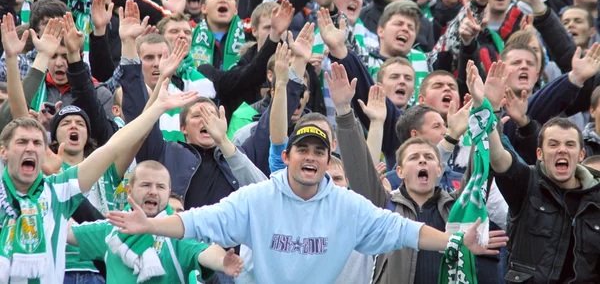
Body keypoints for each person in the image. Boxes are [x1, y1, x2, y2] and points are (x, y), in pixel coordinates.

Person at [107, 125, 508, 283]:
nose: (311, 157)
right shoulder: (257, 198)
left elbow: (406, 231)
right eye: (303, 149)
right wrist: (150, 225)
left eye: (320, 151)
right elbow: (197, 222)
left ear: (327, 159)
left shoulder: (348, 206)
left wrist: (456, 242)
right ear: (288, 156)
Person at [0, 67, 199, 283]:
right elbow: (18, 118)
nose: (30, 147)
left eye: (37, 143)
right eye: (66, 123)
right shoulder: (46, 177)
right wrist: (16, 59)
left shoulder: (60, 188)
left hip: (93, 268)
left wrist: (157, 107)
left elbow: (119, 145)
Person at [475, 59, 600, 283]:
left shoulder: (597, 198)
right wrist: (491, 109)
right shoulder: (526, 183)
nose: (562, 150)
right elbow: (497, 155)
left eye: (570, 145)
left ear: (581, 156)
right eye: (553, 144)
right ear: (539, 154)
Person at [67, 160, 244, 283]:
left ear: (169, 192)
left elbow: (205, 251)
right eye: (146, 185)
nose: (153, 192)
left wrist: (222, 262)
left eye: (160, 187)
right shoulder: (112, 229)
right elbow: (67, 232)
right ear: (129, 190)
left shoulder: (177, 233)